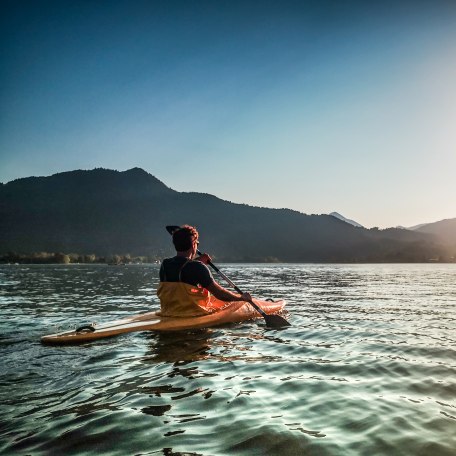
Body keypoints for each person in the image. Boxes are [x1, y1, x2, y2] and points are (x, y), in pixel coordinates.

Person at [157, 225, 252, 317]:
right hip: (191, 315)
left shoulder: (165, 264)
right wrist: (240, 298)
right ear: (193, 245)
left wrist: (198, 260)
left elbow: (182, 270)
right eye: (197, 243)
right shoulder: (198, 267)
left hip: (168, 313)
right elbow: (219, 293)